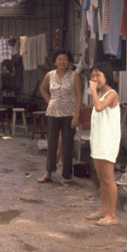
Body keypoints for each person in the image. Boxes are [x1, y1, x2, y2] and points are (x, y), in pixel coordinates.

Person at [38, 49, 82, 185]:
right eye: (59, 59)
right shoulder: (49, 75)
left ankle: (67, 175)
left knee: (68, 145)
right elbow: (42, 89)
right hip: (53, 114)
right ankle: (48, 172)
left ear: (69, 62)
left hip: (69, 114)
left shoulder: (74, 76)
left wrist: (76, 116)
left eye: (65, 59)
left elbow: (79, 96)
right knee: (52, 143)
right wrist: (49, 101)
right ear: (55, 62)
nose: (62, 62)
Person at [86, 62, 121, 226]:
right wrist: (94, 92)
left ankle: (112, 215)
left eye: (98, 75)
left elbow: (99, 108)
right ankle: (104, 210)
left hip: (108, 141)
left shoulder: (111, 94)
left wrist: (92, 90)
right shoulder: (98, 94)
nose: (94, 79)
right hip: (98, 140)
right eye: (92, 76)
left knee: (108, 178)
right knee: (100, 177)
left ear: (107, 76)